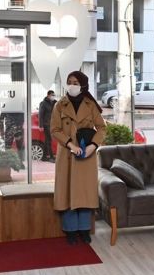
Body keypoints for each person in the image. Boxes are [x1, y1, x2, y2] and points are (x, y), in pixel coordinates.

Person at [51, 71, 106, 244]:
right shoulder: (60, 105)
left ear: (83, 85)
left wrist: (93, 146)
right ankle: (70, 231)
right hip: (67, 154)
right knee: (67, 192)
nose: (72, 85)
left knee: (85, 193)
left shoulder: (90, 104)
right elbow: (54, 129)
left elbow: (102, 128)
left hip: (86, 155)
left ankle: (84, 229)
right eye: (69, 82)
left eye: (76, 82)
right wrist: (70, 145)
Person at [39, 90, 57, 161]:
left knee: (47, 140)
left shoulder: (54, 102)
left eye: (54, 95)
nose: (53, 96)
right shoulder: (43, 103)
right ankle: (51, 157)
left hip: (52, 124)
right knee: (49, 140)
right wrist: (41, 125)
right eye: (52, 95)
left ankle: (44, 157)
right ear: (48, 95)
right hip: (46, 124)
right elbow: (40, 115)